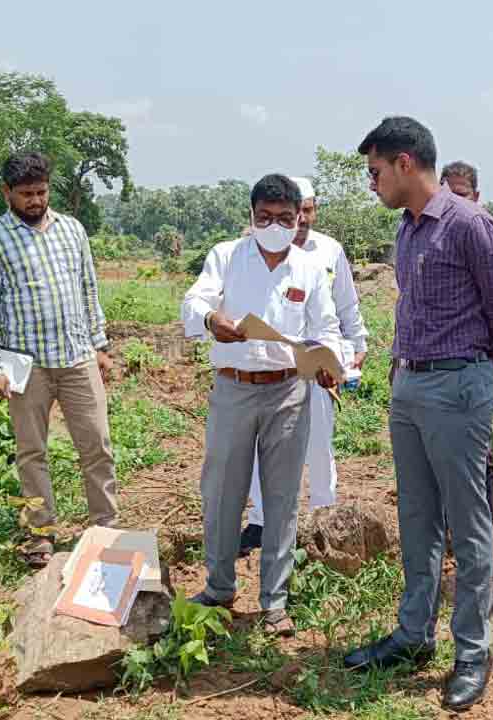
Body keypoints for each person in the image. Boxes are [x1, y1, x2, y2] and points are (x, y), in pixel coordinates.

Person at [342, 117, 493, 712]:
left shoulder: (469, 225)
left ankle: (472, 651)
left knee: (469, 526)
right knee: (418, 519)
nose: (372, 184)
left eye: (375, 172)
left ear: (403, 163)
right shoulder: (408, 230)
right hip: (410, 385)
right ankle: (414, 635)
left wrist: (483, 367)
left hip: (456, 386)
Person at [180, 174, 342, 637]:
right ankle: (218, 587)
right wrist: (212, 319)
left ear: (299, 221)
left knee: (282, 496)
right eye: (265, 218)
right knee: (222, 489)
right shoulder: (226, 256)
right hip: (233, 386)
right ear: (251, 217)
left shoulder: (310, 269)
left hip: (288, 391)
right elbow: (195, 300)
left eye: (284, 219)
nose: (274, 226)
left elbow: (326, 326)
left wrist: (329, 360)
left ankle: (275, 601)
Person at [0, 151, 117, 569]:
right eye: (26, 194)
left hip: (76, 357)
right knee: (32, 452)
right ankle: (41, 533)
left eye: (41, 192)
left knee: (97, 446)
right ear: (7, 193)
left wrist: (100, 345)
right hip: (26, 364)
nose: (35, 201)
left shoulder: (72, 230)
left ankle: (105, 528)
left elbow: (88, 290)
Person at [240, 177, 369, 556]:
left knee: (318, 444)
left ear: (308, 211)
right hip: (267, 365)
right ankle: (262, 522)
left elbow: (346, 304)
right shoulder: (249, 252)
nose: (304, 218)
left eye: (308, 210)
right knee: (261, 449)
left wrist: (356, 346)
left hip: (316, 366)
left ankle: (323, 518)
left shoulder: (329, 251)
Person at [439, 160, 493, 517]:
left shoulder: (484, 234)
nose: (453, 204)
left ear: (476, 196)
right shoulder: (424, 232)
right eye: (447, 195)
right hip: (432, 372)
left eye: (460, 196)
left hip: (475, 369)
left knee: (478, 457)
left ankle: (479, 532)